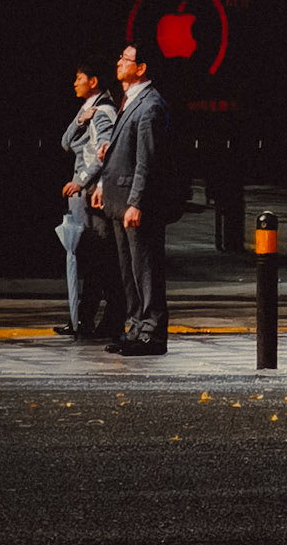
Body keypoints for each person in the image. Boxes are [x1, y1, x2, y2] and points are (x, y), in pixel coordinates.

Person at [97, 43, 171, 356]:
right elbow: (124, 150)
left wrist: (137, 202)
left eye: (125, 59)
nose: (118, 62)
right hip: (118, 198)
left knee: (145, 270)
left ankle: (151, 335)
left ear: (140, 68)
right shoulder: (131, 101)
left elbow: (147, 160)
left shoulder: (150, 105)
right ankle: (135, 328)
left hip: (135, 203)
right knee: (129, 272)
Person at [56, 61, 121, 340]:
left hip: (94, 196)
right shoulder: (88, 110)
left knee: (101, 259)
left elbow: (102, 153)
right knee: (93, 260)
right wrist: (80, 120)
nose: (75, 82)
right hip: (86, 195)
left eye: (79, 77)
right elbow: (66, 142)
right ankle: (83, 319)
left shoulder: (103, 112)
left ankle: (105, 320)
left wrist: (80, 181)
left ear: (93, 81)